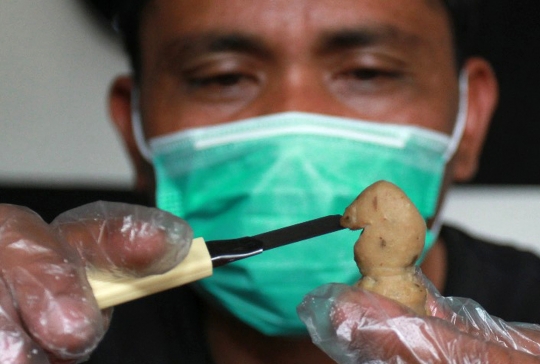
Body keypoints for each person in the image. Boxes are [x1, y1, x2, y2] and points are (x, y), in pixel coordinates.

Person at [1, 0, 540, 363]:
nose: (294, 120)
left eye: (369, 71)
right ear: (133, 126)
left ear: (470, 122)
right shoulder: (52, 331)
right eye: (223, 77)